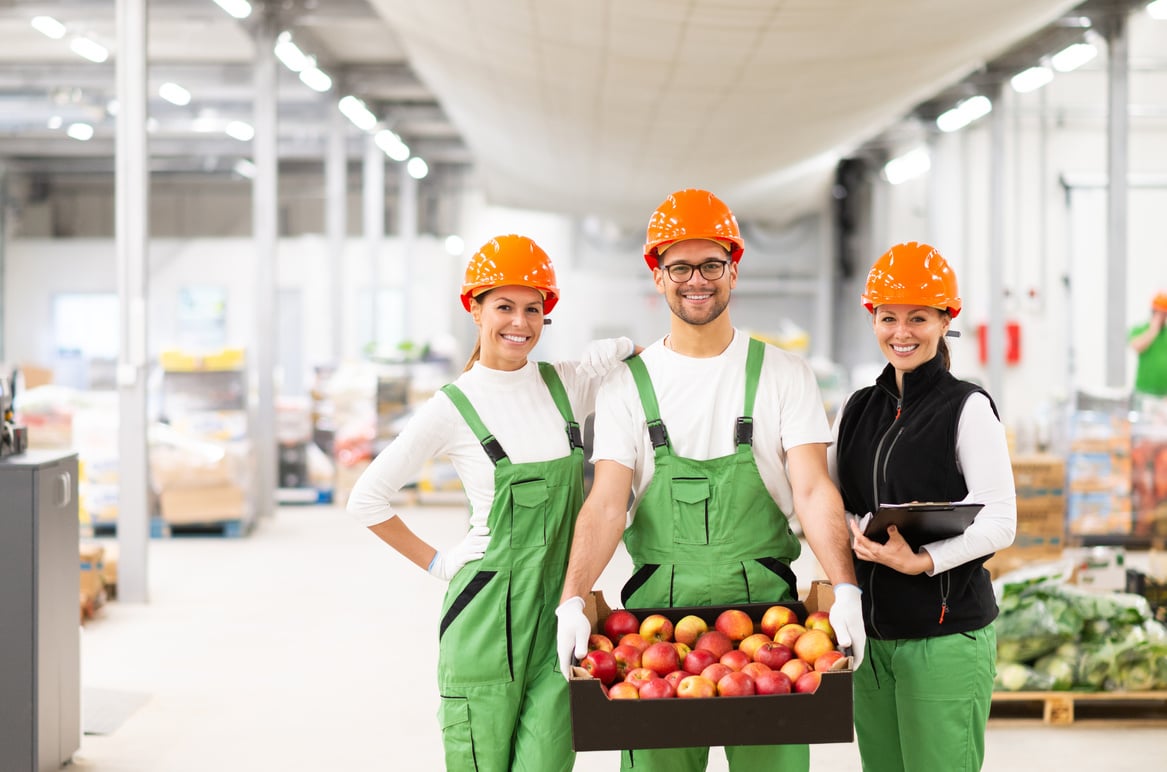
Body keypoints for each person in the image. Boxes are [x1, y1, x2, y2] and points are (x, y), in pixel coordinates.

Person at [554, 188, 865, 772]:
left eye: (711, 264)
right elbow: (604, 505)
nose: (696, 279)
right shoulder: (628, 385)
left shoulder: (783, 374)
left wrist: (843, 586)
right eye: (679, 266)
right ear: (658, 274)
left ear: (733, 269)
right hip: (647, 634)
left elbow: (814, 489)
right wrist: (573, 600)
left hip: (772, 629)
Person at [346, 234, 636, 772]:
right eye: (504, 306)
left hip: (562, 604)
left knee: (549, 757)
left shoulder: (566, 384)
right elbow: (367, 499)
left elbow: (651, 376)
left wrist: (623, 349)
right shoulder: (453, 406)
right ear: (474, 309)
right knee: (481, 760)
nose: (519, 323)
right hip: (485, 610)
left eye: (533, 309)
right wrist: (439, 562)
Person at [827, 241, 1017, 772]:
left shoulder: (968, 407)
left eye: (918, 318)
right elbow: (826, 495)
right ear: (873, 319)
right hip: (871, 638)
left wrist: (922, 561)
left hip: (944, 636)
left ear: (944, 320)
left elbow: (1002, 522)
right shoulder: (858, 407)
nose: (901, 332)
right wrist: (846, 526)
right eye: (888, 317)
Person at [1129, 292, 1167, 405]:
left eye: (1164, 314)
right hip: (1144, 394)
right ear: (1153, 312)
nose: (1162, 317)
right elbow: (1137, 346)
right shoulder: (1140, 329)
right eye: (1159, 313)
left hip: (1164, 395)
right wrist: (1153, 330)